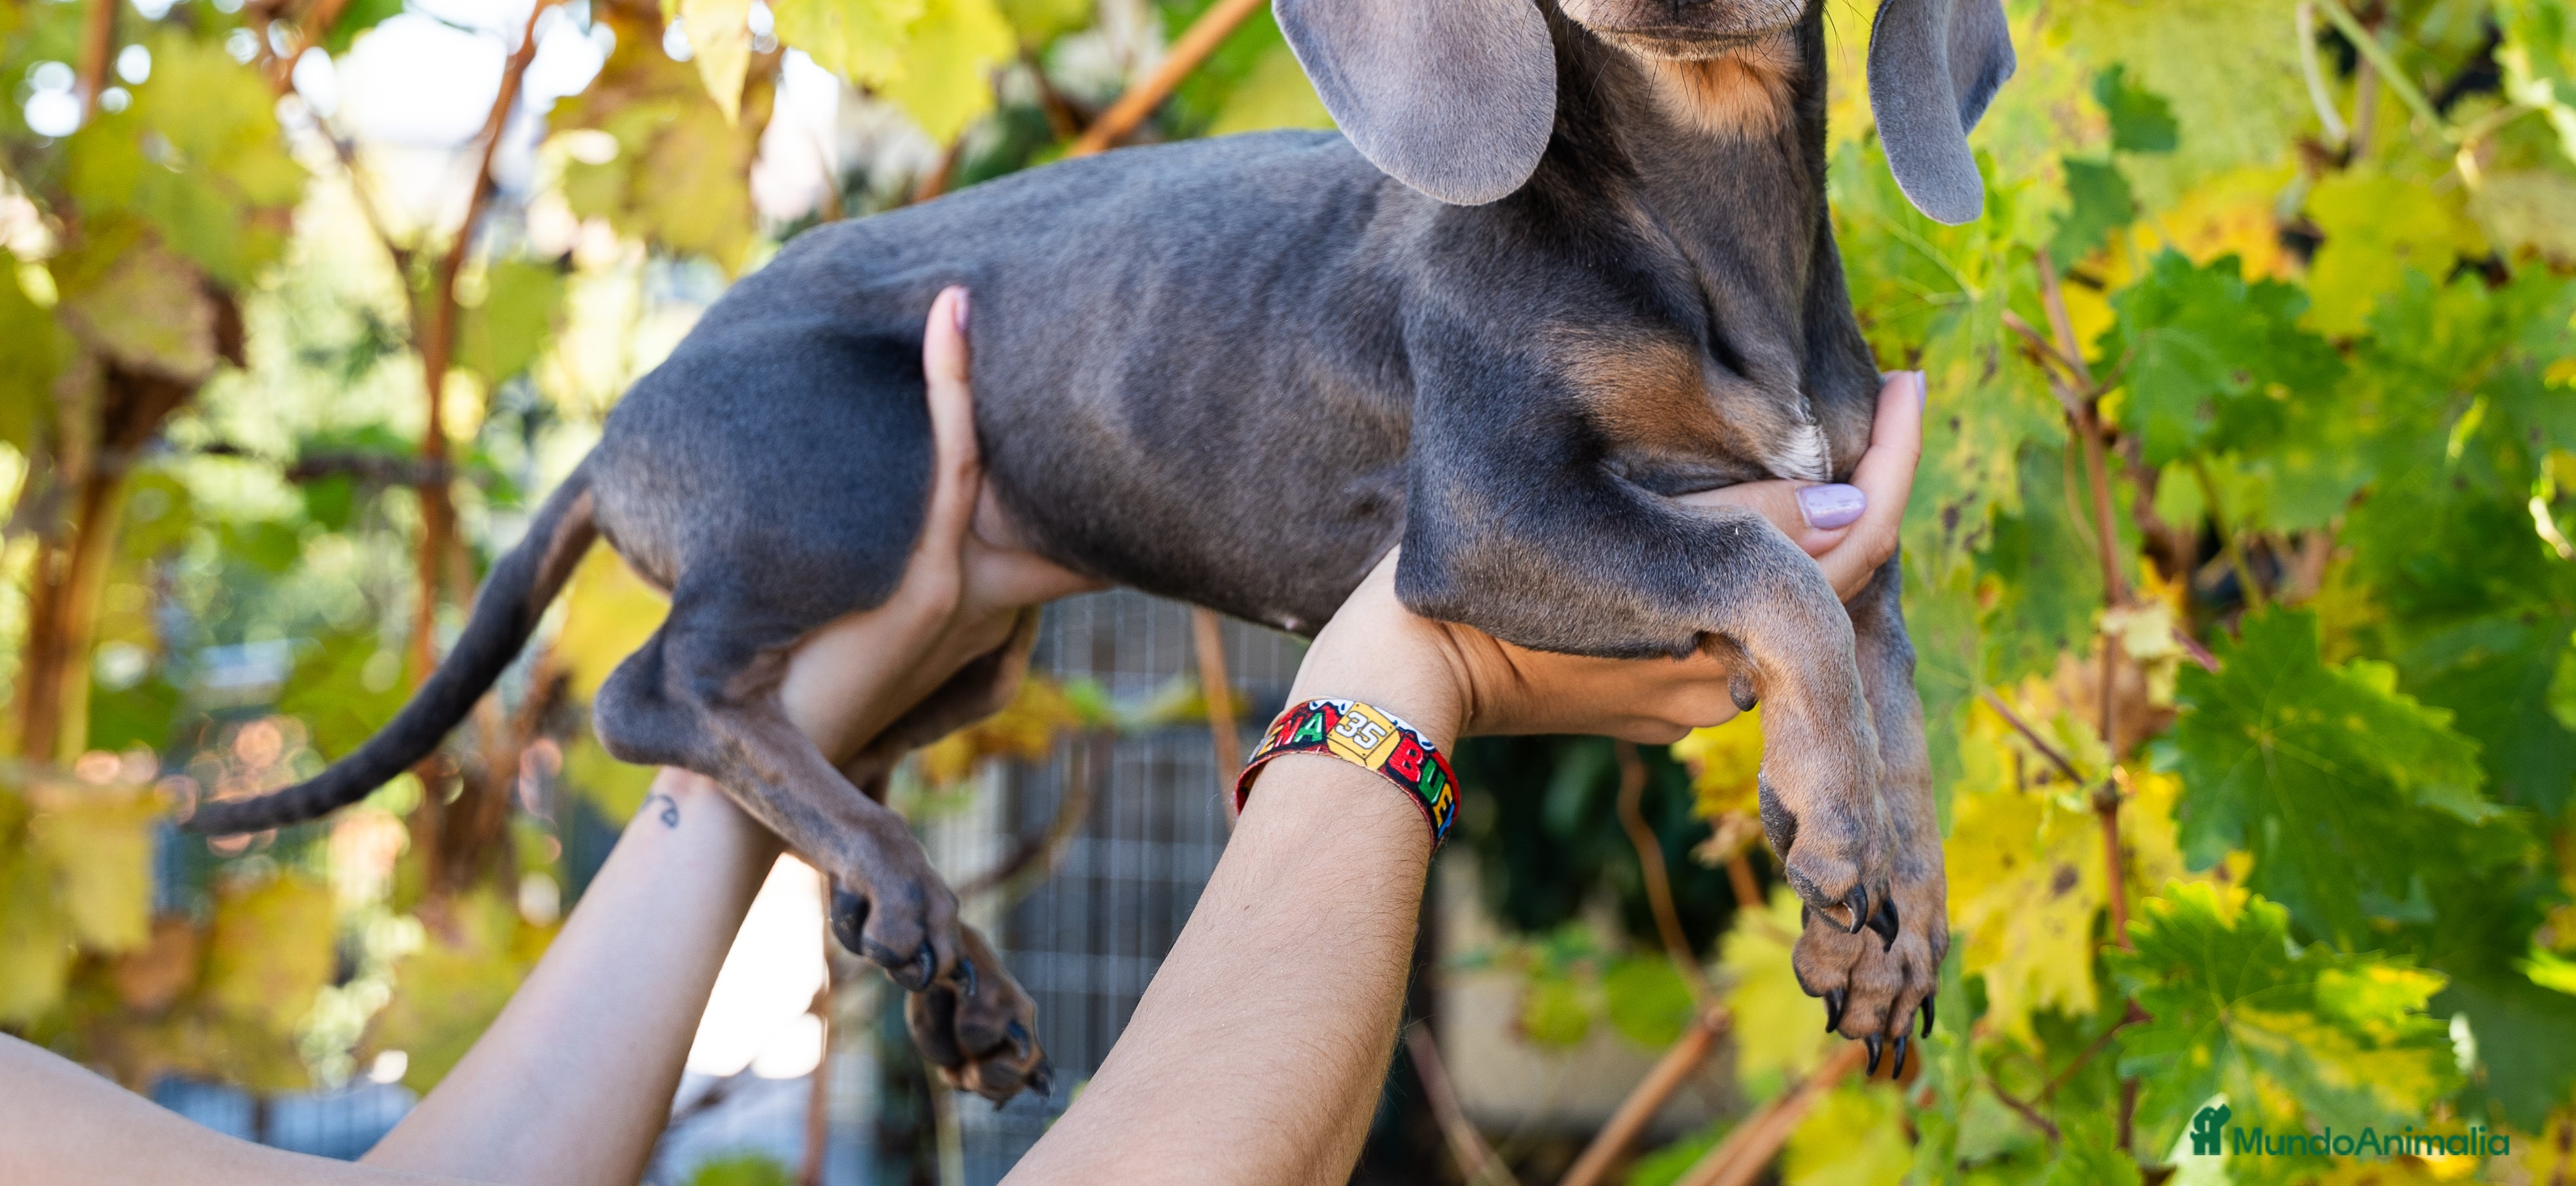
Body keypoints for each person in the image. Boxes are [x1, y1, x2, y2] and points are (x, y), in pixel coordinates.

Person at [3, 288, 1924, 1185]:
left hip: (817, 432)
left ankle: (721, 687)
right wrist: (1407, 686)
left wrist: (856, 656)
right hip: (773, 430)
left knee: (785, 665)